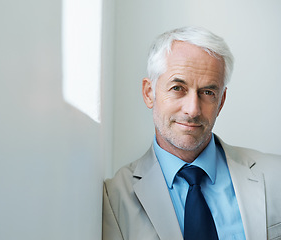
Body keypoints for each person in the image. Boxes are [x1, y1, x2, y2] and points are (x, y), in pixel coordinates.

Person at [102, 26, 281, 240]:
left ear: (221, 102)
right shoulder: (113, 198)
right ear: (149, 93)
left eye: (207, 92)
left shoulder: (275, 175)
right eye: (178, 88)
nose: (193, 109)